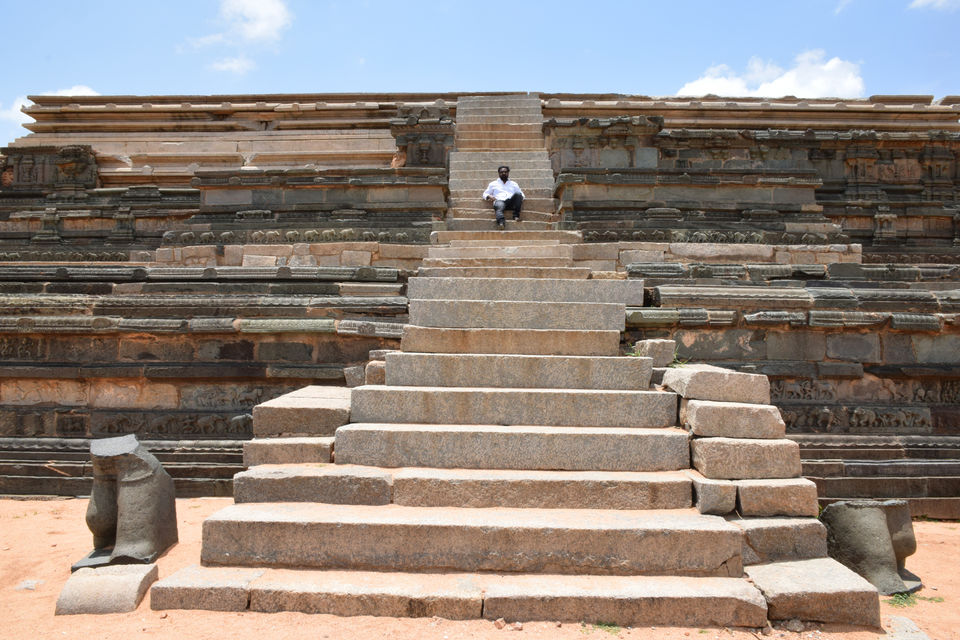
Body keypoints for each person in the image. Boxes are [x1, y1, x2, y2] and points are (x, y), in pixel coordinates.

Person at [482, 165, 524, 230]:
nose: (503, 173)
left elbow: (522, 195)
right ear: (499, 173)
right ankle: (501, 223)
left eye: (505, 172)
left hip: (511, 203)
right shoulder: (493, 184)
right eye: (501, 172)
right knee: (499, 205)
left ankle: (516, 216)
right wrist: (489, 196)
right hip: (499, 201)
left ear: (508, 173)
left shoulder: (514, 184)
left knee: (518, 194)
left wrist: (518, 199)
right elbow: (485, 194)